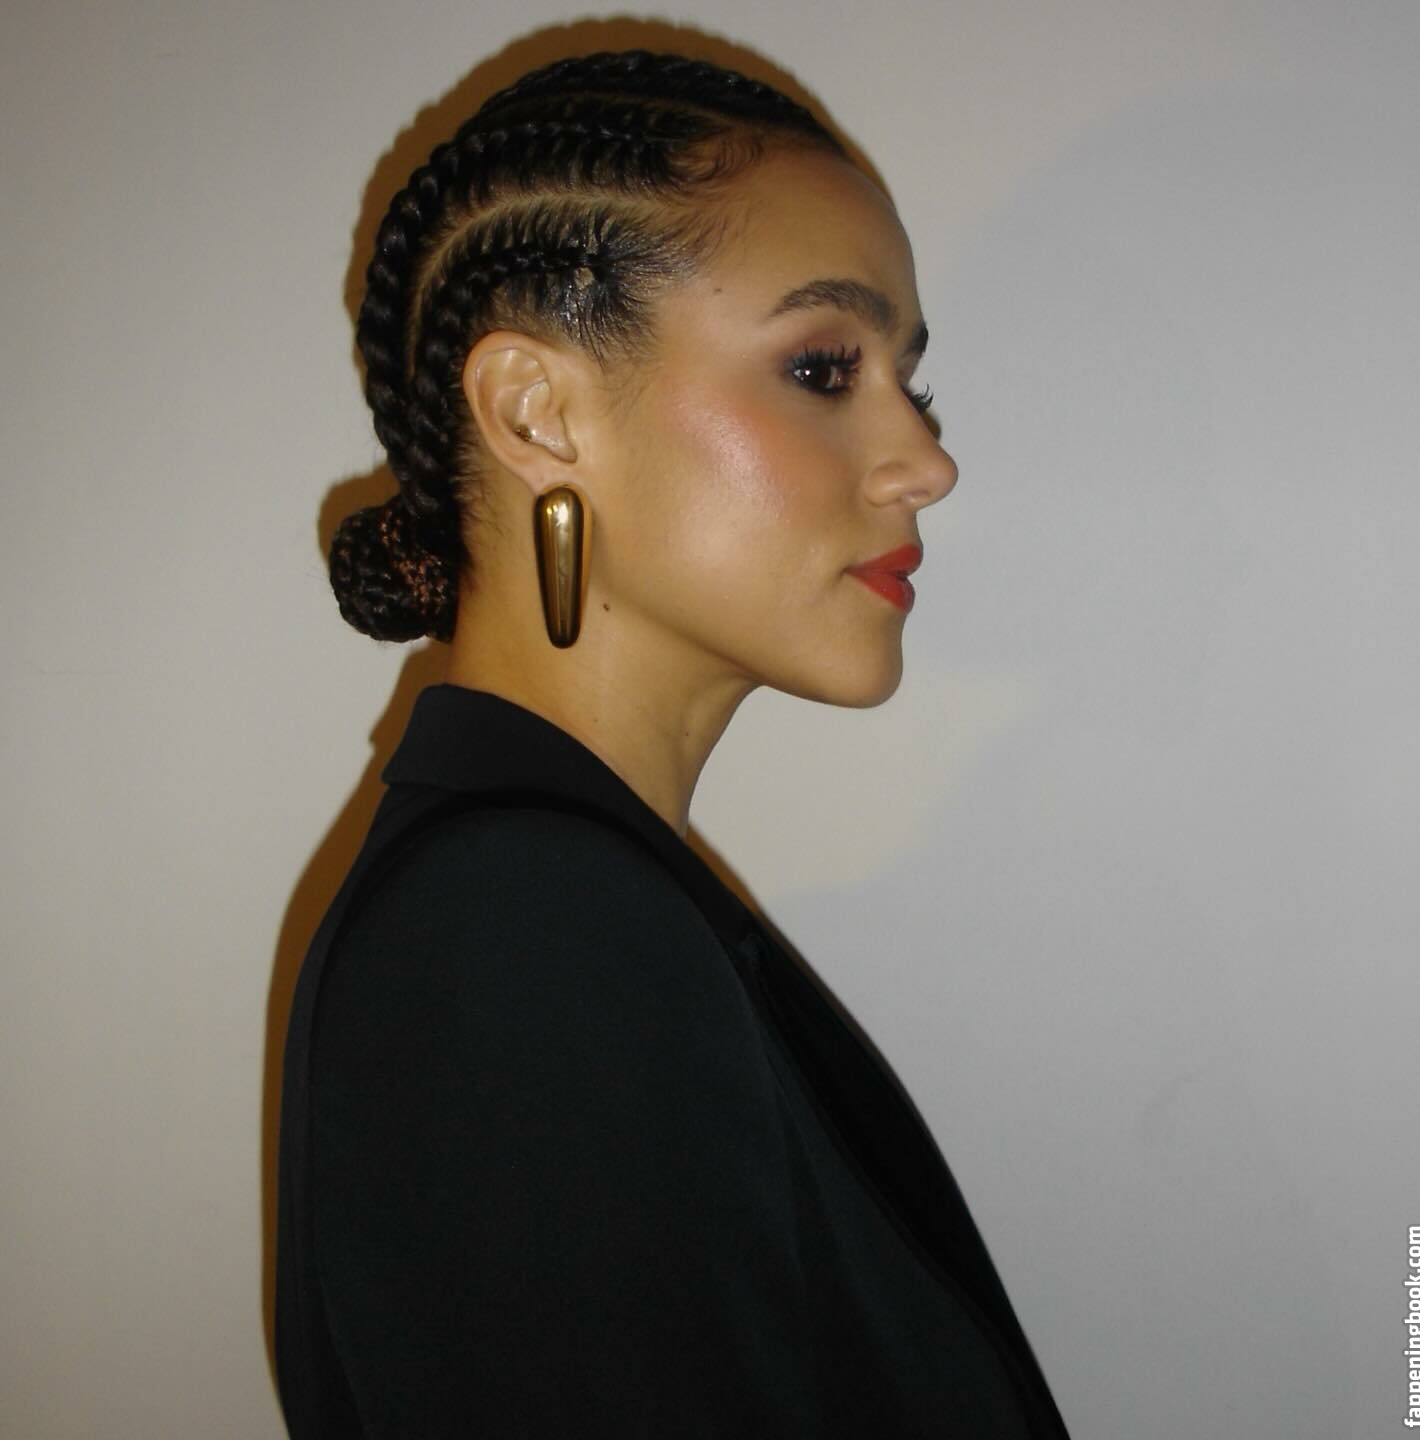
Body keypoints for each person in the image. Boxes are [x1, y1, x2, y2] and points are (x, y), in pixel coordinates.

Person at [275, 48, 1071, 1438]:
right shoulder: (523, 927)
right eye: (824, 366)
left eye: (908, 379)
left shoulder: (571, 897)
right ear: (538, 414)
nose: (926, 461)